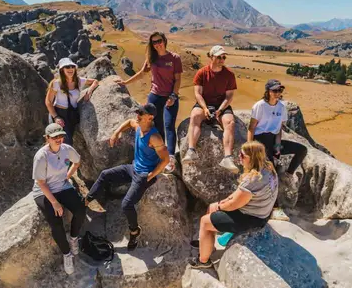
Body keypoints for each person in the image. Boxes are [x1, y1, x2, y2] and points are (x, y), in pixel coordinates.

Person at [85, 103, 170, 251]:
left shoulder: (155, 137)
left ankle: (135, 231)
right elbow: (129, 122)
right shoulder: (138, 126)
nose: (137, 116)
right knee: (105, 175)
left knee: (126, 204)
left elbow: (165, 160)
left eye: (141, 114)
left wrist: (151, 176)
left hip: (144, 175)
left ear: (150, 117)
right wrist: (116, 133)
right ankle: (86, 200)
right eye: (138, 113)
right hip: (133, 168)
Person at [188, 141, 278, 268]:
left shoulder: (253, 180)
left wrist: (220, 206)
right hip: (262, 212)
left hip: (253, 219)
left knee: (204, 221)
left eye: (242, 155)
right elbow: (238, 194)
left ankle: (203, 261)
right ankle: (207, 244)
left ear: (252, 158)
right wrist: (220, 203)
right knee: (211, 207)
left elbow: (234, 205)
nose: (239, 157)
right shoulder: (268, 168)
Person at [117, 32, 181, 173]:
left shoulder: (174, 58)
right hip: (154, 96)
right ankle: (159, 157)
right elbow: (141, 73)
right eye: (154, 42)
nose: (157, 44)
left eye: (159, 40)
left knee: (169, 125)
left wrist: (173, 96)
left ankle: (170, 159)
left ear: (164, 40)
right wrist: (125, 82)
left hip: (170, 97)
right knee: (156, 126)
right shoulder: (152, 58)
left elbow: (177, 79)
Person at [247, 79, 307, 220]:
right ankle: (275, 208)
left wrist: (278, 146)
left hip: (273, 140)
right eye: (275, 90)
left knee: (302, 150)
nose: (278, 93)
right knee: (271, 172)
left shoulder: (281, 107)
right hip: (260, 141)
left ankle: (288, 174)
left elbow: (279, 128)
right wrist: (249, 148)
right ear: (267, 91)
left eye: (280, 90)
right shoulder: (259, 106)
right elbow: (251, 127)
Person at [32, 123, 87, 275]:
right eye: (55, 137)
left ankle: (74, 238)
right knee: (56, 223)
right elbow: (41, 183)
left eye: (61, 136)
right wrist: (55, 203)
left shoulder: (66, 149)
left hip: (62, 186)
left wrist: (68, 176)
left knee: (80, 210)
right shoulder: (41, 156)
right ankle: (66, 254)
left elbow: (77, 161)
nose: (59, 139)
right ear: (47, 138)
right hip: (44, 191)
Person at [182, 45, 239, 173]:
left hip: (221, 105)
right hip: (204, 103)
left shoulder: (229, 75)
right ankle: (191, 151)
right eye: (219, 57)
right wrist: (205, 108)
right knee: (195, 116)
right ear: (211, 57)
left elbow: (229, 96)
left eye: (223, 57)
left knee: (230, 122)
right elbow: (198, 94)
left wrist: (220, 110)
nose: (222, 60)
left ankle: (228, 158)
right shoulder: (202, 73)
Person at [45, 57, 99, 144]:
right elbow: (48, 102)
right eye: (67, 67)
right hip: (59, 113)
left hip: (72, 114)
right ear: (62, 70)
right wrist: (56, 117)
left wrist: (89, 91)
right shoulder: (56, 83)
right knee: (64, 141)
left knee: (69, 140)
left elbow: (95, 81)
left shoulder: (79, 81)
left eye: (72, 66)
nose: (70, 69)